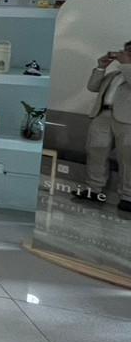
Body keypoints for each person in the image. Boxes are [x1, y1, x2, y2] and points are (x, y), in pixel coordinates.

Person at [75, 40, 131, 213]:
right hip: (102, 115)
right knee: (96, 152)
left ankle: (128, 196)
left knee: (127, 158)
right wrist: (101, 67)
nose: (121, 53)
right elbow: (93, 87)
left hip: (127, 120)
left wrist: (126, 64)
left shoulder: (126, 71)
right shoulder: (115, 74)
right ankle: (93, 189)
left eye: (127, 51)